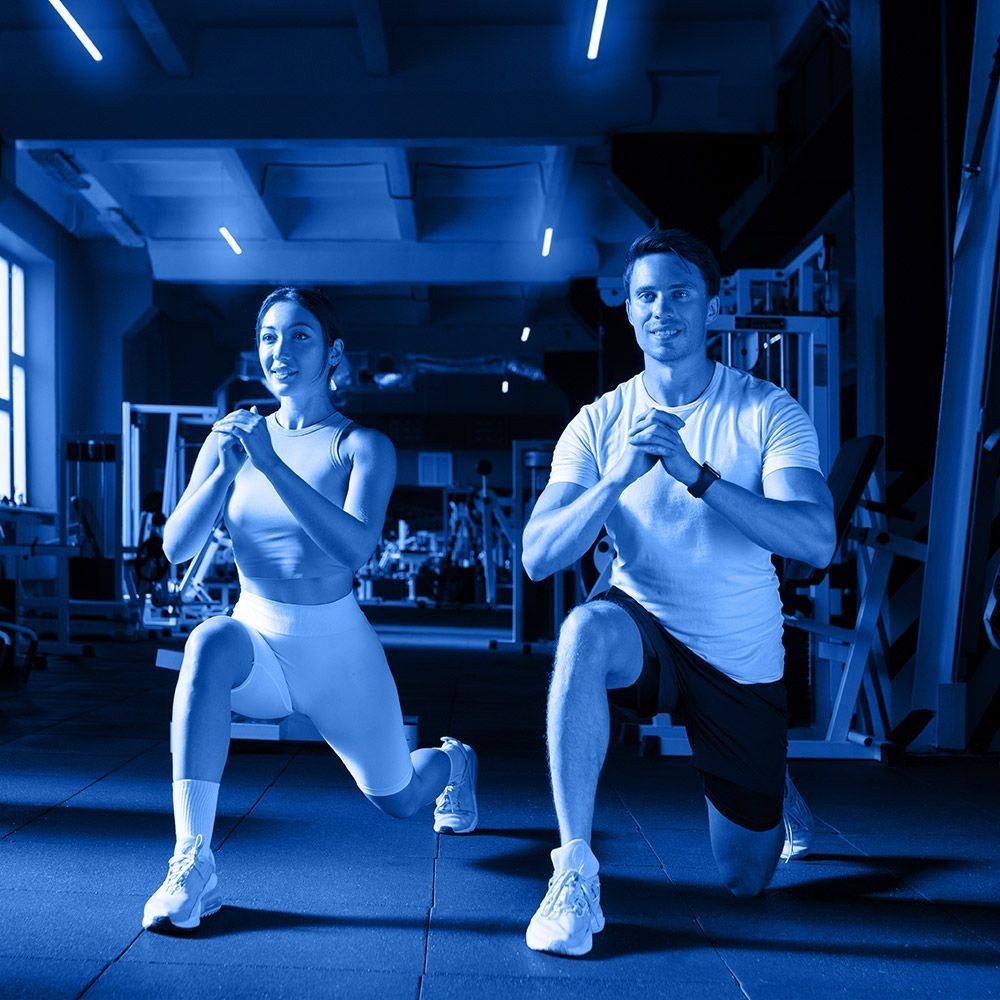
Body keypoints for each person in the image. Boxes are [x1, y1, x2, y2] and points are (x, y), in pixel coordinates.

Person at [520, 229, 835, 956]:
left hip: (737, 655)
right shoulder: (597, 422)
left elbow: (816, 540)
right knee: (583, 633)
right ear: (629, 313)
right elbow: (539, 556)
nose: (664, 309)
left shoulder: (765, 411)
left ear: (712, 305)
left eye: (681, 292)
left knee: (745, 881)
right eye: (648, 296)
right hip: (645, 633)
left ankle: (774, 785)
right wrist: (615, 478)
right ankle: (573, 872)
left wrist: (697, 474)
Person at [142, 287, 478, 932]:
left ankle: (455, 760)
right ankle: (193, 861)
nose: (280, 351)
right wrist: (225, 468)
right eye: (269, 337)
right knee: (209, 640)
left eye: (299, 336)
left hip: (338, 651)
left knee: (402, 801)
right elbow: (176, 543)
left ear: (333, 353)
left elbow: (354, 549)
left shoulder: (362, 445)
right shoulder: (230, 437)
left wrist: (269, 464)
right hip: (258, 640)